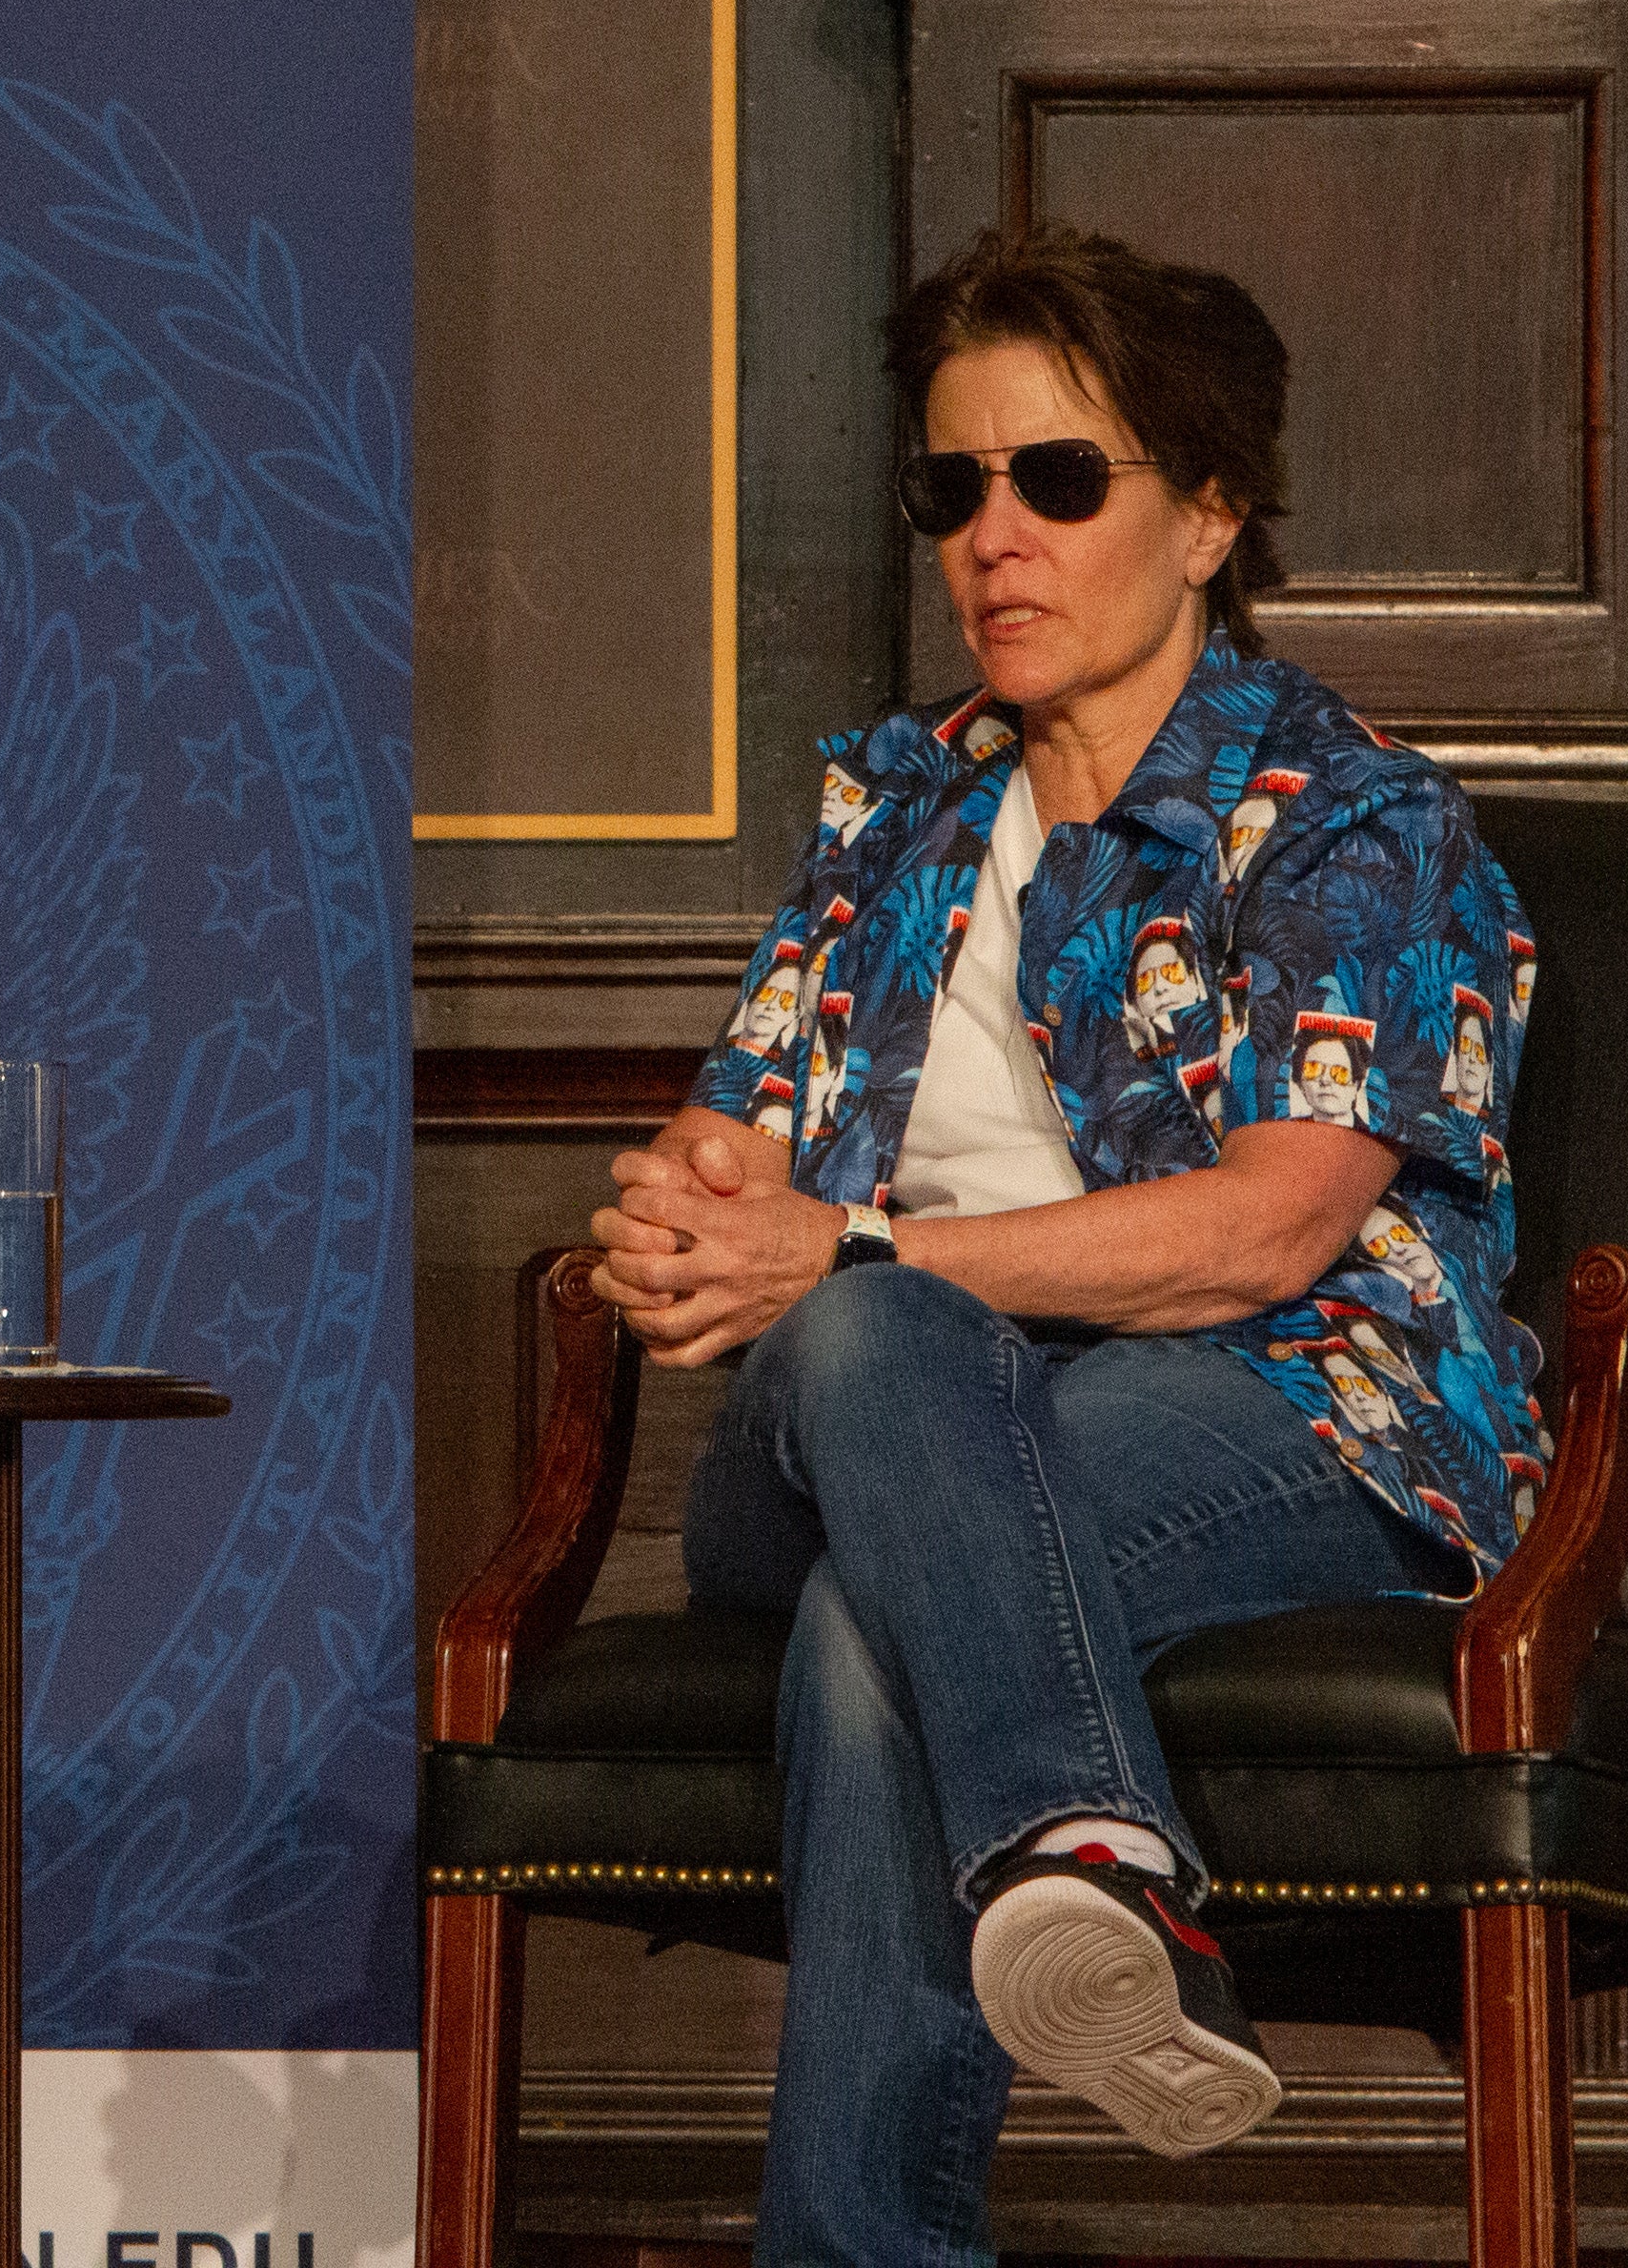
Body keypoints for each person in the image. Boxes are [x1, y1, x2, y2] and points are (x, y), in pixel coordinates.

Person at [590, 229, 1538, 2265]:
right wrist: (685, 1227)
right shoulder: (896, 809)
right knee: (856, 1361)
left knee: (877, 1612)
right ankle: (1106, 1850)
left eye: (1058, 481)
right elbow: (729, 1140)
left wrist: (851, 1256)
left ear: (1208, 517)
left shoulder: (1351, 822)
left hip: (1287, 1421)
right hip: (848, 1424)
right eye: (952, 487)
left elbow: (1269, 1232)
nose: (992, 538)